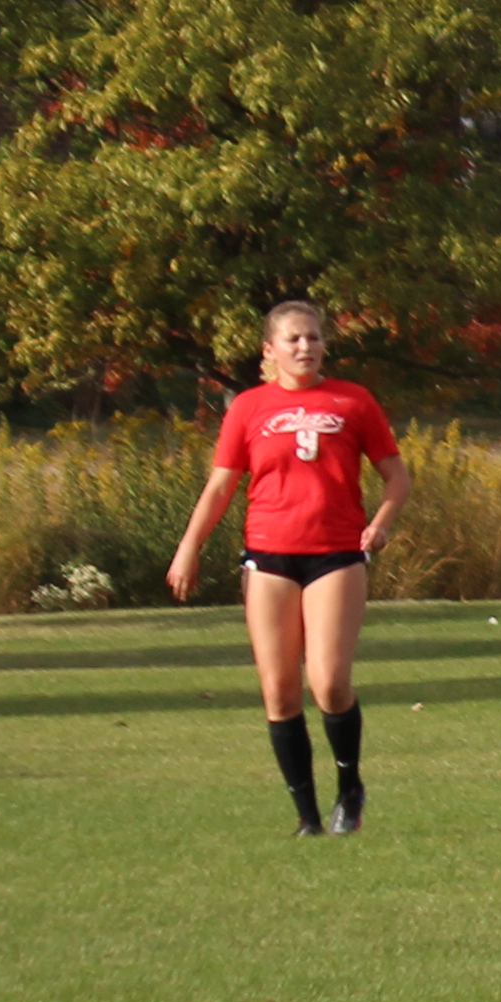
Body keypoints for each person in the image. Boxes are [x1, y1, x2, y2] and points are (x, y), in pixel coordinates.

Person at [167, 298, 400, 834]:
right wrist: (189, 546)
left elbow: (398, 477)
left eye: (314, 338)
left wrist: (382, 521)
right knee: (278, 690)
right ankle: (307, 819)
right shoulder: (249, 407)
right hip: (269, 556)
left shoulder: (353, 401)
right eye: (294, 339)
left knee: (330, 684)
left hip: (336, 553)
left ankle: (350, 788)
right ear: (269, 351)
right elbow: (221, 486)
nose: (306, 348)